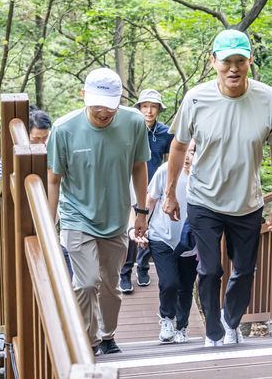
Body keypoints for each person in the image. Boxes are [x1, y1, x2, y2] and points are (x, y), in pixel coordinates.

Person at [162, 29, 272, 347]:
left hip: (247, 201)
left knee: (244, 270)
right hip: (203, 199)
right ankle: (213, 332)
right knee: (209, 270)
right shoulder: (196, 98)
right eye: (226, 61)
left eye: (240, 61)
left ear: (249, 61)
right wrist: (170, 193)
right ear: (213, 61)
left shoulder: (268, 98)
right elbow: (178, 146)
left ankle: (231, 322)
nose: (233, 68)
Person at [47, 67, 150, 356]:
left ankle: (107, 335)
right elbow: (53, 180)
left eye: (110, 107)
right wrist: (48, 225)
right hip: (76, 216)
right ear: (84, 96)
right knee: (86, 282)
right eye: (97, 106)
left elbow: (139, 167)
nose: (104, 113)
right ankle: (88, 341)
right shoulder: (63, 129)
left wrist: (141, 213)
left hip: (116, 217)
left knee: (110, 285)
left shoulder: (134, 122)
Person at [133, 140, 197, 343]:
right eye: (184, 151)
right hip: (161, 236)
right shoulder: (164, 171)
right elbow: (150, 200)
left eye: (193, 152)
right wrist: (142, 225)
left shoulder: (204, 176)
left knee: (186, 287)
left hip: (190, 241)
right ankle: (167, 318)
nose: (187, 157)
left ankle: (182, 327)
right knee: (169, 283)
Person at [119, 89, 174, 292]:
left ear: (159, 110)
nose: (149, 111)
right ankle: (125, 273)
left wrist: (168, 190)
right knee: (130, 230)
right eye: (145, 106)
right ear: (139, 108)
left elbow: (170, 163)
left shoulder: (166, 133)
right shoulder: (129, 129)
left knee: (149, 229)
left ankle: (142, 268)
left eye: (153, 107)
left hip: (154, 190)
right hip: (131, 188)